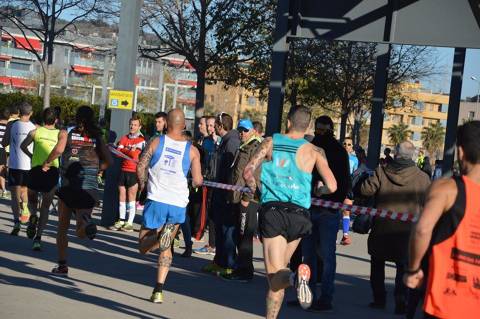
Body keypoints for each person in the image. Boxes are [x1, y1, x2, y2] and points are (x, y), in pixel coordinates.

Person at [243, 106, 337, 318]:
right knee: (279, 274)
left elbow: (248, 171)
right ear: (308, 127)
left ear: (288, 122)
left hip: (274, 211)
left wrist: (255, 190)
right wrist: (318, 191)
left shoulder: (270, 142)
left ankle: (296, 279)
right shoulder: (315, 151)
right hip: (300, 216)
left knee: (274, 275)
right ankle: (292, 279)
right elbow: (332, 186)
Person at [404, 121, 480, 319]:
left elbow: (422, 230)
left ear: (461, 152)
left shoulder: (447, 189)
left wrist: (413, 269)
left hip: (445, 302)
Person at [136, 109, 203, 303]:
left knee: (143, 246)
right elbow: (198, 180)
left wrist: (142, 184)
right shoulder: (192, 150)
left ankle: (158, 236)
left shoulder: (156, 142)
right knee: (167, 248)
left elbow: (141, 166)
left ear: (167, 124)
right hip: (177, 203)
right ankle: (158, 290)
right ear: (184, 126)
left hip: (156, 198)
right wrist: (194, 180)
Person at [361, 141, 430, 314]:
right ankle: (401, 301)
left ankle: (379, 299)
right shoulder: (422, 178)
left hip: (382, 228)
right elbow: (428, 203)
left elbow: (365, 190)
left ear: (396, 154)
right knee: (403, 266)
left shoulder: (382, 171)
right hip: (407, 232)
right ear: (412, 156)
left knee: (377, 263)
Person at [44, 105, 113, 276]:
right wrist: (98, 169)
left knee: (62, 227)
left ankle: (62, 265)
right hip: (89, 187)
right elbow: (109, 161)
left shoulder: (67, 133)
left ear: (76, 117)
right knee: (80, 231)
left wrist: (46, 163)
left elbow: (59, 150)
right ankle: (87, 223)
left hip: (69, 185)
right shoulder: (97, 138)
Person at [301, 115, 350, 312]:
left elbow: (343, 182)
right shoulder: (335, 150)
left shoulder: (319, 149)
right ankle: (315, 296)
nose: (320, 134)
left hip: (320, 208)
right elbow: (345, 182)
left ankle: (320, 297)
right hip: (323, 209)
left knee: (317, 256)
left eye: (322, 130)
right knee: (317, 256)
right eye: (319, 130)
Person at [221, 119, 262, 282]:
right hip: (238, 197)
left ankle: (245, 272)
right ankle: (242, 268)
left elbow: (255, 175)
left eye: (245, 130)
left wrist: (247, 198)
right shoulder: (244, 146)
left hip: (249, 200)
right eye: (240, 130)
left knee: (245, 236)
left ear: (252, 131)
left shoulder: (256, 148)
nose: (241, 133)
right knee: (240, 234)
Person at [202, 112, 240, 275]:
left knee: (227, 230)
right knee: (218, 227)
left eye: (215, 124)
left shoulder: (232, 142)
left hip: (226, 194)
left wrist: (227, 191)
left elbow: (231, 169)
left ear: (220, 125)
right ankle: (219, 261)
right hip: (219, 190)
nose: (212, 128)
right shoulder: (224, 141)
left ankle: (228, 264)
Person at [20, 108, 60, 251]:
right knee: (45, 207)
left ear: (43, 119)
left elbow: (22, 146)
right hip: (52, 171)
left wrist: (32, 156)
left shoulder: (35, 132)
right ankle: (38, 238)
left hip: (36, 170)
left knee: (32, 201)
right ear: (56, 120)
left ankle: (33, 216)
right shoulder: (60, 134)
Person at [2, 102, 36, 235]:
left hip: (15, 165)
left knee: (15, 195)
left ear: (18, 112)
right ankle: (26, 209)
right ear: (31, 113)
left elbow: (4, 142)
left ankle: (16, 222)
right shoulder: (34, 127)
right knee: (25, 190)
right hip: (28, 166)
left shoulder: (11, 124)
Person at [111, 115, 145, 232]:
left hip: (134, 171)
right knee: (121, 195)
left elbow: (135, 155)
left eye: (135, 125)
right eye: (131, 124)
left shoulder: (141, 140)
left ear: (139, 126)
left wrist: (126, 150)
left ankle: (129, 223)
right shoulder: (124, 137)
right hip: (123, 170)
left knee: (131, 197)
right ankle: (121, 220)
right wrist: (129, 150)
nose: (132, 126)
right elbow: (117, 152)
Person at [193, 115, 217, 255]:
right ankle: (201, 235)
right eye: (207, 125)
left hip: (214, 180)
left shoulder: (218, 141)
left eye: (211, 125)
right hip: (205, 177)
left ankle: (200, 235)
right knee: (203, 208)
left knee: (207, 210)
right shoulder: (205, 140)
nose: (209, 128)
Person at [341, 137, 358, 246]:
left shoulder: (354, 160)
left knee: (346, 211)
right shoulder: (336, 157)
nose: (347, 146)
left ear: (352, 147)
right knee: (333, 211)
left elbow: (355, 175)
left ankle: (345, 235)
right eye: (345, 144)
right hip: (337, 187)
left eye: (349, 144)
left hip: (347, 187)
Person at [0, 108, 9, 199]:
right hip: (2, 149)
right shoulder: (8, 126)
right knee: (2, 170)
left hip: (2, 149)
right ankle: (4, 190)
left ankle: (4, 190)